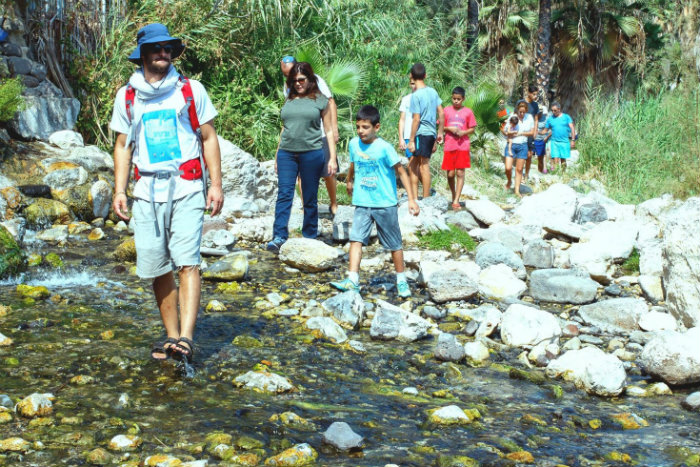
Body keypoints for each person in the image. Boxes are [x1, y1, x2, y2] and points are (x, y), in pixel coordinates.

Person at [110, 23, 223, 363]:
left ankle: (186, 338)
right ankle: (171, 336)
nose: (163, 53)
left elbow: (208, 138)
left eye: (167, 48)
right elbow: (121, 145)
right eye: (156, 48)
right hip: (146, 190)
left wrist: (215, 184)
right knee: (156, 266)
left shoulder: (190, 90)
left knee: (188, 262)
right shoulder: (126, 96)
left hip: (187, 186)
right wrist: (120, 189)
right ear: (142, 54)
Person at [330, 105, 419, 297]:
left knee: (394, 244)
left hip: (385, 203)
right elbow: (353, 163)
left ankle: (401, 280)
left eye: (365, 127)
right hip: (362, 201)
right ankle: (352, 279)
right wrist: (349, 180)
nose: (361, 131)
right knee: (355, 239)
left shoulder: (384, 148)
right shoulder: (354, 144)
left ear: (376, 127)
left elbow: (401, 172)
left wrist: (411, 199)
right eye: (358, 127)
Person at [267, 62, 337, 253]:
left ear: (310, 80)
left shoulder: (320, 101)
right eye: (294, 80)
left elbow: (329, 131)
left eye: (301, 80)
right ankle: (279, 236)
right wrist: (276, 155)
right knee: (284, 195)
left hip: (312, 153)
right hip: (287, 153)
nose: (298, 83)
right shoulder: (289, 99)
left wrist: (332, 158)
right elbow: (284, 129)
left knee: (310, 196)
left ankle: (309, 235)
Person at [280, 56, 339, 216]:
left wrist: (334, 128)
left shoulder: (315, 80)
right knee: (301, 175)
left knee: (328, 172)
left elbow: (330, 102)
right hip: (300, 138)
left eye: (291, 74)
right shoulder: (289, 85)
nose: (291, 80)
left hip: (320, 132)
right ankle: (308, 207)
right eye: (286, 75)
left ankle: (334, 203)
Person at [407, 63, 444, 199]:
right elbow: (441, 113)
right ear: (425, 76)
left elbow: (416, 119)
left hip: (421, 133)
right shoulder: (433, 92)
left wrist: (411, 140)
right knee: (413, 164)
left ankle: (426, 198)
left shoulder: (415, 95)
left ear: (411, 75)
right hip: (431, 133)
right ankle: (415, 197)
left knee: (423, 165)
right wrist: (439, 133)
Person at [442, 86, 477, 210]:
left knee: (460, 172)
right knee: (450, 174)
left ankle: (456, 199)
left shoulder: (468, 112)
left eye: (458, 99)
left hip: (463, 145)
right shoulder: (446, 110)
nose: (456, 101)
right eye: (454, 99)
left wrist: (464, 132)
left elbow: (472, 128)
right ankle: (453, 193)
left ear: (463, 99)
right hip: (449, 144)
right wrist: (449, 128)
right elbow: (440, 126)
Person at [501, 100, 535, 197]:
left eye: (523, 112)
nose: (522, 114)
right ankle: (509, 181)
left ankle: (516, 190)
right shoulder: (512, 116)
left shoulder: (529, 118)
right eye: (520, 112)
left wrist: (521, 133)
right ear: (517, 110)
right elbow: (504, 130)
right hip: (511, 144)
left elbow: (532, 132)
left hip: (523, 145)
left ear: (526, 111)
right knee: (508, 167)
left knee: (519, 169)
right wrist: (507, 133)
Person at [544, 101, 576, 171]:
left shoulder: (566, 117)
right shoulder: (550, 119)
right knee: (555, 158)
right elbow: (545, 130)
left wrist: (573, 140)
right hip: (554, 142)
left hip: (564, 142)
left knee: (563, 159)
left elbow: (572, 128)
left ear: (559, 109)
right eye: (552, 110)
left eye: (555, 110)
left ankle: (563, 174)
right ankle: (556, 174)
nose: (553, 112)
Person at [398, 78, 417, 157]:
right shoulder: (405, 99)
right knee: (411, 163)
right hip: (408, 136)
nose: (414, 86)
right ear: (410, 84)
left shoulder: (425, 99)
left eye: (416, 83)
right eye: (412, 83)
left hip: (422, 135)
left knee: (422, 164)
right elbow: (402, 120)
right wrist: (401, 138)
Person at [524, 84, 540, 178]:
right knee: (522, 155)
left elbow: (536, 119)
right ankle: (519, 173)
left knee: (529, 155)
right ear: (528, 93)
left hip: (531, 133)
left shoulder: (535, 105)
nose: (535, 96)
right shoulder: (521, 103)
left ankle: (526, 174)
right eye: (534, 94)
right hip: (521, 133)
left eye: (536, 94)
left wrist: (535, 131)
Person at [533, 108, 549, 173]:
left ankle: (540, 172)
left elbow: (548, 130)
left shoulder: (545, 118)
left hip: (540, 140)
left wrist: (546, 137)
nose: (540, 113)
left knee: (540, 157)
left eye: (541, 112)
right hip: (530, 139)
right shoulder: (531, 117)